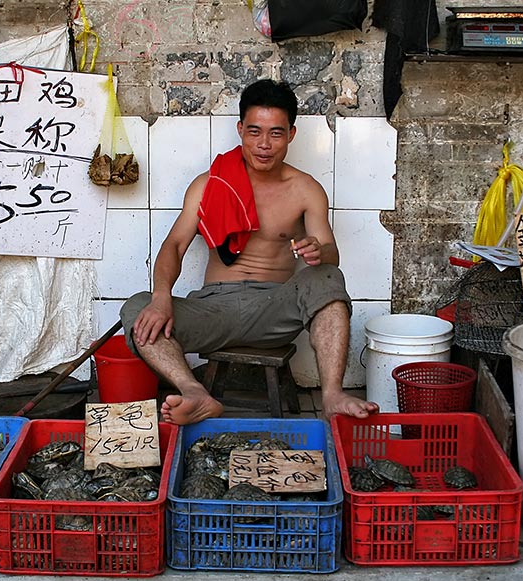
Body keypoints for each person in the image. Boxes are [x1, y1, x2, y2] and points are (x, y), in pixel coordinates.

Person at [120, 79, 379, 425]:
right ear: (240, 129)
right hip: (212, 307)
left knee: (328, 276)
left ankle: (332, 396)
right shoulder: (210, 183)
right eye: (255, 131)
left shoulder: (305, 190)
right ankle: (194, 392)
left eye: (276, 133)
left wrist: (320, 251)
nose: (264, 144)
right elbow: (175, 244)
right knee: (138, 307)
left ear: (291, 134)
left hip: (275, 309)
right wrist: (161, 296)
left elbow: (330, 254)